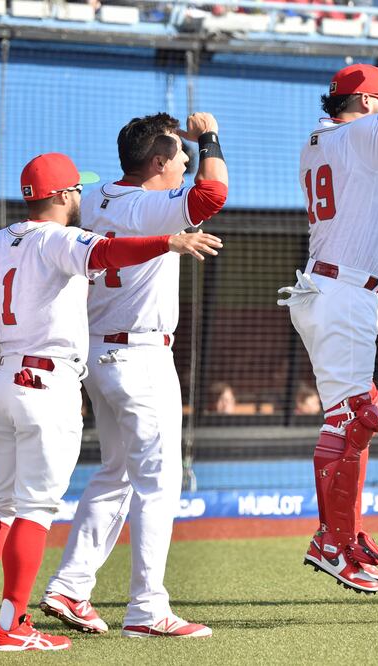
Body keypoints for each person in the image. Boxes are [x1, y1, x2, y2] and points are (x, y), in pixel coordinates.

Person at [0, 152, 223, 652]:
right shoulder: (59, 238)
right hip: (46, 385)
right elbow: (109, 254)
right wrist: (170, 240)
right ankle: (11, 624)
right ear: (58, 196)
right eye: (74, 189)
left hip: (3, 380)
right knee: (34, 509)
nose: (79, 196)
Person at [38, 113, 227, 639]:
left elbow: (84, 195)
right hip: (139, 356)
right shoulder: (149, 205)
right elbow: (212, 195)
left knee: (115, 474)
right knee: (158, 482)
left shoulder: (93, 197)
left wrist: (171, 137)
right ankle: (147, 608)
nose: (187, 162)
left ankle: (71, 586)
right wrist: (209, 136)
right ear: (160, 162)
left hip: (96, 351)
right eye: (179, 156)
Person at [277, 26, 378, 594]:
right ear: (366, 103)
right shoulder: (360, 135)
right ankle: (332, 539)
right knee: (356, 414)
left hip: (337, 288)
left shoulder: (321, 140)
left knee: (356, 412)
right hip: (341, 292)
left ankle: (345, 532)